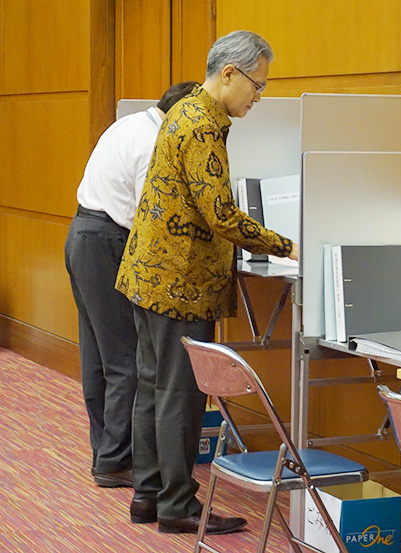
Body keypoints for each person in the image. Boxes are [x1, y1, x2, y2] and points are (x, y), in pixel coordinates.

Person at [115, 30, 299, 535]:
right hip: (180, 282)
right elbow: (219, 213)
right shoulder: (202, 126)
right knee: (180, 394)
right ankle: (178, 504)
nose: (259, 98)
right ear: (230, 74)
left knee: (153, 386)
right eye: (257, 86)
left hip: (151, 274)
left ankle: (149, 496)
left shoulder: (187, 112)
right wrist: (285, 245)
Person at [65, 81, 198, 488]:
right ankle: (115, 462)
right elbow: (153, 215)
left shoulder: (128, 124)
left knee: (98, 356)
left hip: (82, 234)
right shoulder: (154, 144)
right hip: (108, 242)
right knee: (126, 360)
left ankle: (105, 454)